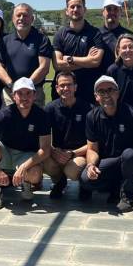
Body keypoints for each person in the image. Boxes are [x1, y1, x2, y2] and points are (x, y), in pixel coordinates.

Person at [81, 76, 133, 213]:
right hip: (110, 161)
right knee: (85, 180)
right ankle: (115, 187)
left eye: (110, 90)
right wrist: (91, 165)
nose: (106, 94)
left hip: (132, 161)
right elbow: (92, 149)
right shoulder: (91, 116)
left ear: (118, 93)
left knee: (129, 155)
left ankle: (128, 195)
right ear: (96, 96)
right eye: (101, 91)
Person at [0, 77, 51, 210]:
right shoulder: (5, 113)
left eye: (28, 93)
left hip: (26, 155)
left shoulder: (41, 116)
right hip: (4, 151)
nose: (24, 97)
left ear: (35, 95)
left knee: (35, 173)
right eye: (20, 93)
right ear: (13, 96)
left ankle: (26, 183)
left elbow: (45, 149)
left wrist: (23, 167)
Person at [43, 72, 91, 200]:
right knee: (45, 161)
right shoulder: (50, 108)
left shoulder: (87, 108)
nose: (66, 88)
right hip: (58, 152)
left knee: (72, 171)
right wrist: (53, 151)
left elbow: (93, 143)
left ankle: (85, 185)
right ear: (57, 88)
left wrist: (73, 153)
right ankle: (60, 182)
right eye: (62, 85)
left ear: (75, 87)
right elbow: (42, 138)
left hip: (78, 154)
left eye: (69, 85)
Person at [0, 3, 52, 107]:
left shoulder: (41, 39)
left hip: (34, 93)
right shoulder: (5, 40)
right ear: (13, 18)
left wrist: (26, 88)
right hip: (10, 93)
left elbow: (44, 67)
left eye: (25, 15)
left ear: (32, 19)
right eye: (18, 15)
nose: (21, 18)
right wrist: (12, 85)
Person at [52, 0, 105, 101]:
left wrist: (70, 59)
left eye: (79, 6)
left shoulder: (95, 33)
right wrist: (87, 62)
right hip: (64, 91)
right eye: (72, 7)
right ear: (67, 11)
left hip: (88, 91)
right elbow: (58, 64)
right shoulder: (60, 34)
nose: (75, 9)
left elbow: (95, 62)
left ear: (85, 9)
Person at [97, 0, 133, 73]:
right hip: (100, 82)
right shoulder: (95, 34)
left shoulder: (130, 36)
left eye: (116, 9)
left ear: (121, 12)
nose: (112, 12)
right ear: (103, 12)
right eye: (109, 9)